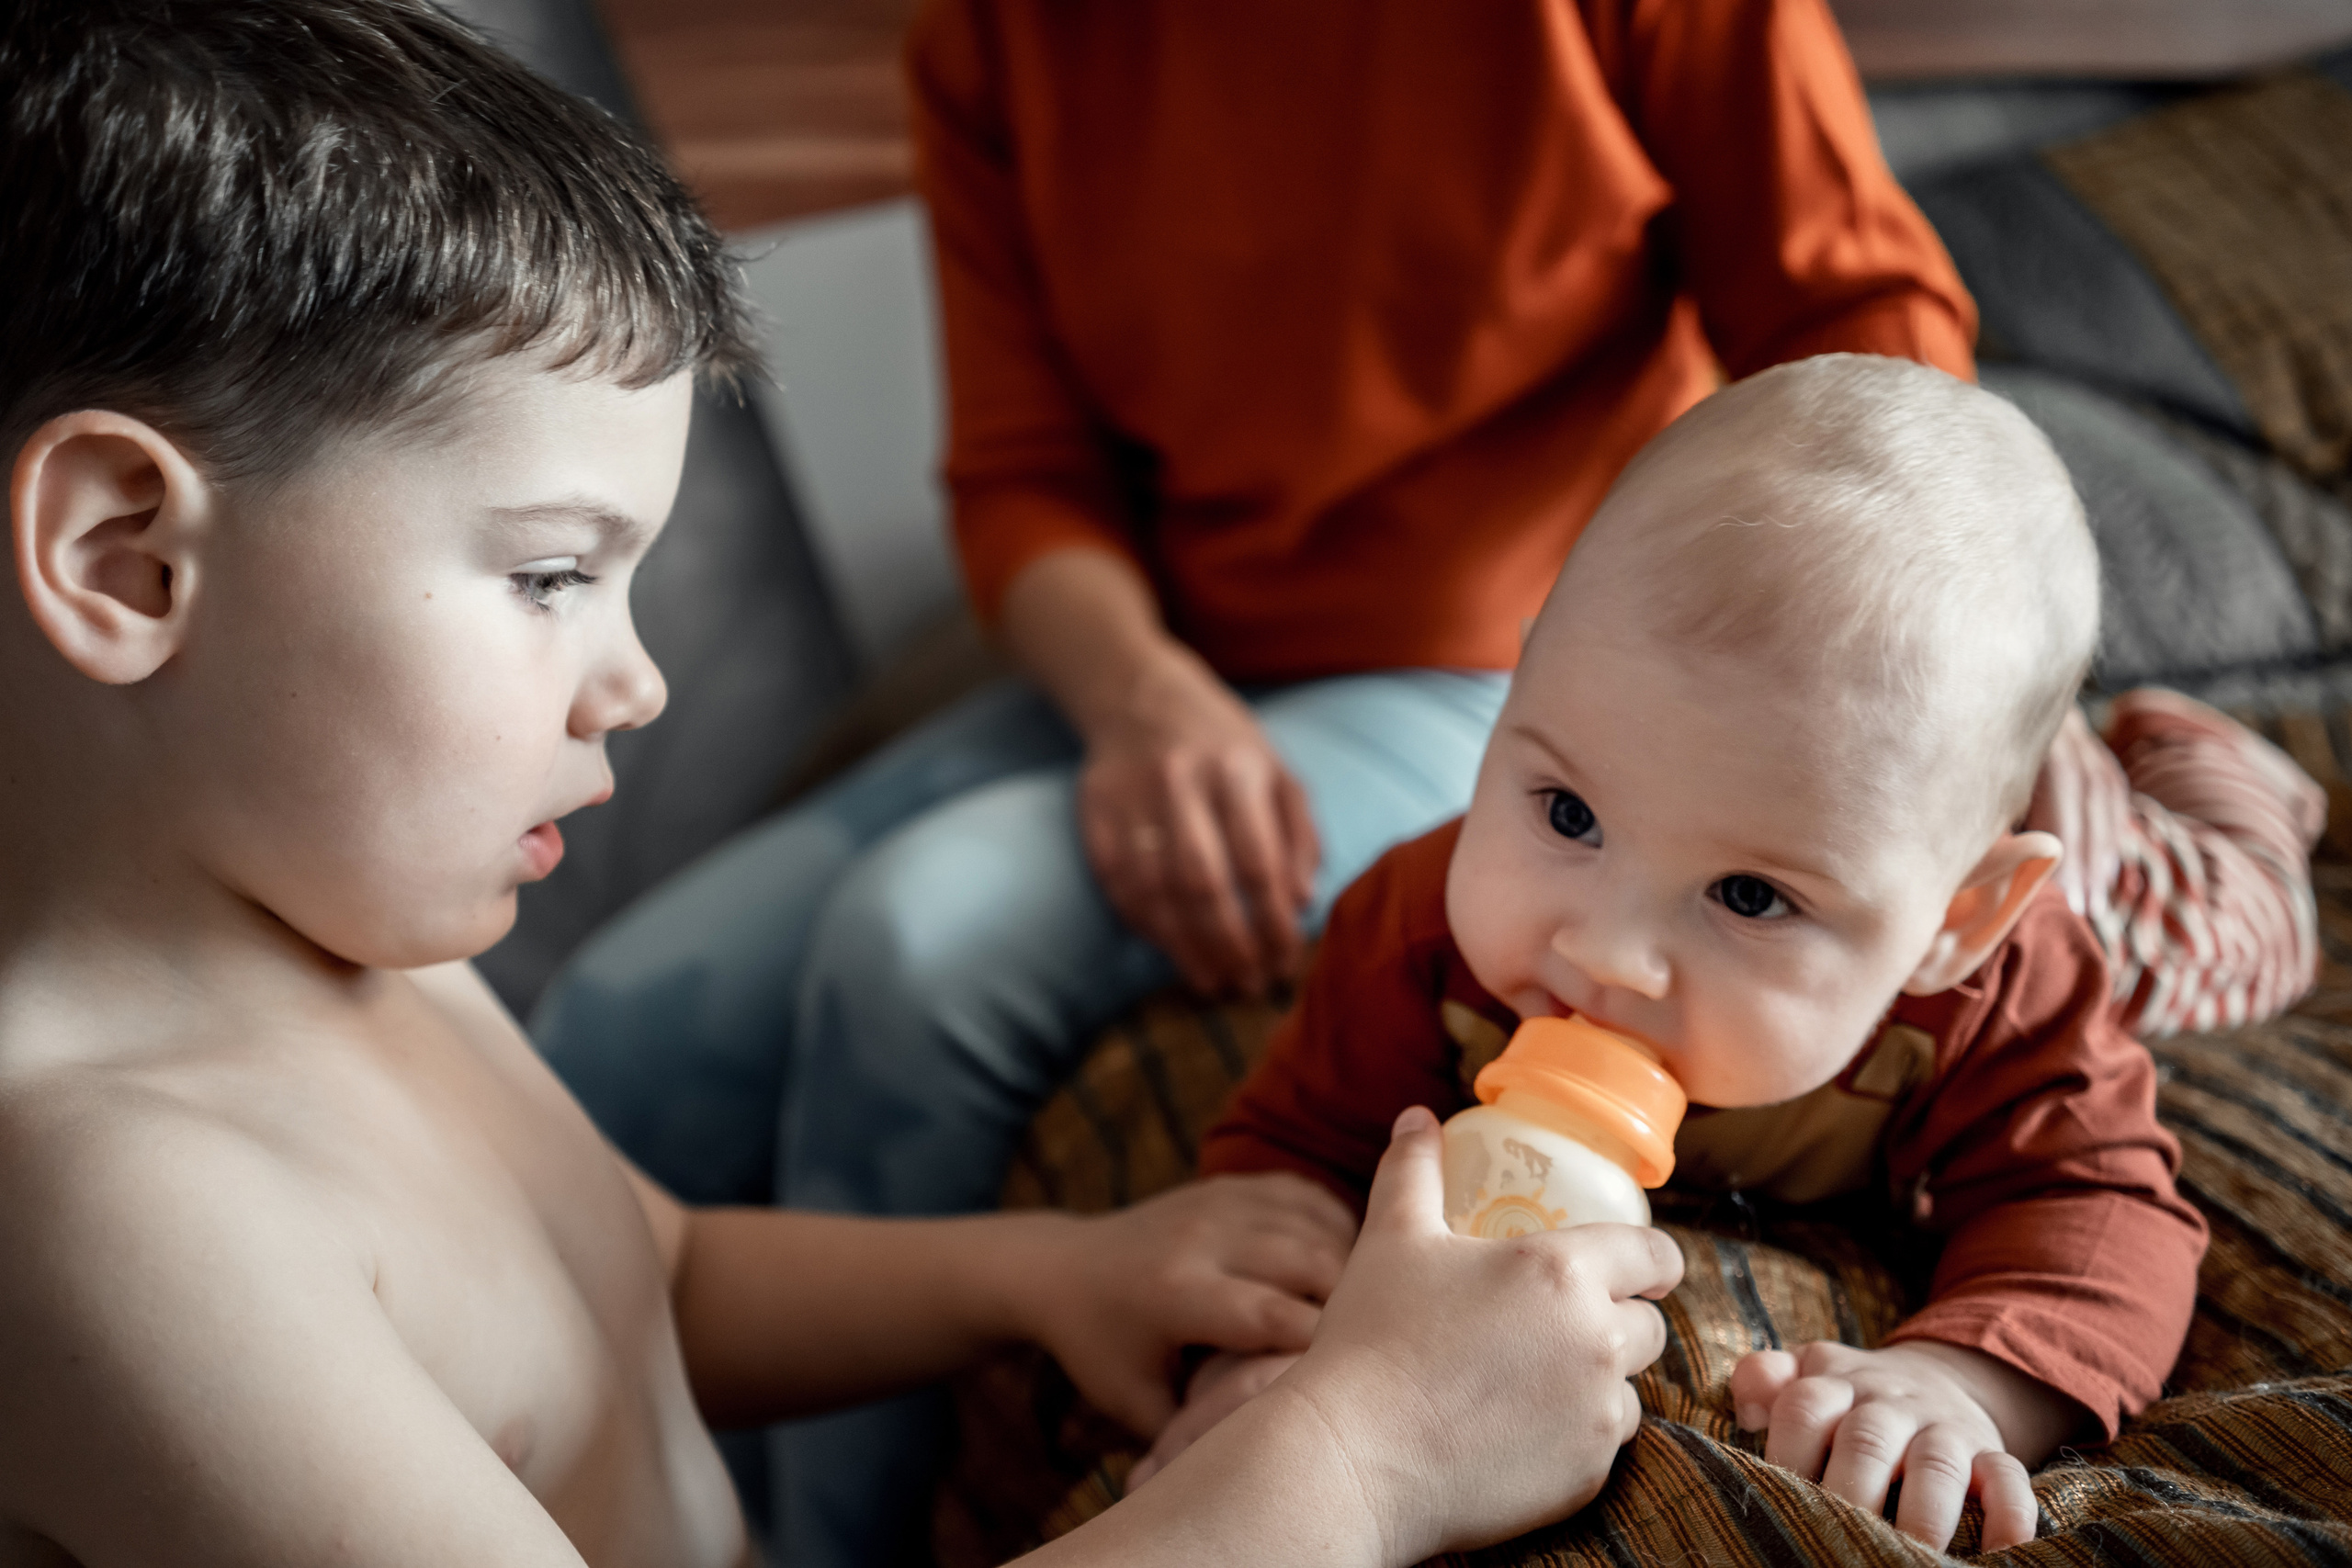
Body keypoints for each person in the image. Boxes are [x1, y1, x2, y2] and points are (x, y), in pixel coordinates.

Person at [0, 4, 1687, 1563]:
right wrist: (1360, 1461)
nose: (635, 679)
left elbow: (643, 1270)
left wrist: (1043, 1273)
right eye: (549, 576)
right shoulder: (111, 1220)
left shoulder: (354, 939)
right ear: (130, 559)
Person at [531, 3, 1992, 1553]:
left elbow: (1870, 340)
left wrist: (1961, 722)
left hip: (1528, 694)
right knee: (611, 1030)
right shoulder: (998, 36)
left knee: (917, 945)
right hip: (1168, 654)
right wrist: (1141, 696)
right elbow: (1027, 482)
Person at [1148, 357, 2216, 1554]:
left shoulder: (2003, 994)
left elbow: (2099, 1204)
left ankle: (2200, 774)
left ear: (1953, 923)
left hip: (2131, 903)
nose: (1604, 951)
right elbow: (1295, 1152)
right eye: (1567, 813)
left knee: (2212, 925)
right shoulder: (1414, 928)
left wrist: (1965, 1382)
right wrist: (1257, 1355)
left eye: (1751, 895)